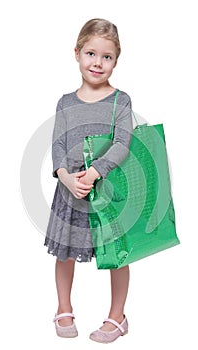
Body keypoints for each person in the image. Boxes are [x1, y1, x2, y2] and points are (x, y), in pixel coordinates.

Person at [44, 18, 133, 343]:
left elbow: (123, 143)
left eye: (106, 57)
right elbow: (56, 144)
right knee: (64, 252)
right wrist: (65, 177)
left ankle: (117, 316)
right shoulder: (66, 103)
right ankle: (63, 307)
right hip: (70, 192)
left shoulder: (120, 101)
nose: (98, 63)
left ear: (116, 60)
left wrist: (95, 172)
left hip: (107, 191)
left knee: (117, 253)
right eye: (91, 54)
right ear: (77, 53)